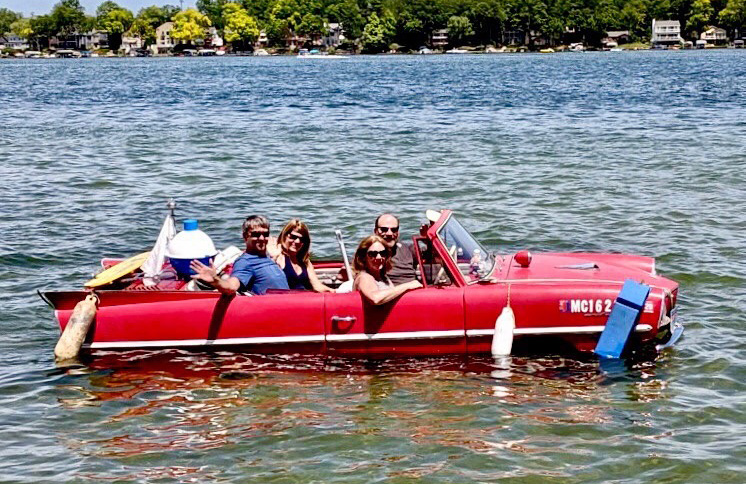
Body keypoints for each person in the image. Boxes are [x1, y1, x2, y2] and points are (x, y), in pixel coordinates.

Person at [190, 215, 289, 295]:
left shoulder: (267, 258)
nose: (262, 238)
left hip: (288, 306)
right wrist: (216, 281)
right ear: (245, 237)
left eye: (265, 234)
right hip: (274, 311)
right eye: (256, 235)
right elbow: (232, 286)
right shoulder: (246, 261)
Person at [352, 235, 421, 305]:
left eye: (382, 253)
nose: (379, 257)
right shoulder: (364, 277)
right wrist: (408, 285)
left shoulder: (383, 277)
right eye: (373, 254)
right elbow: (375, 298)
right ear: (363, 257)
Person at [271, 219, 333, 292]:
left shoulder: (304, 261)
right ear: (284, 236)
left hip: (306, 298)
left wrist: (335, 291)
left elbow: (317, 286)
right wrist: (274, 257)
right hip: (287, 300)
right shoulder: (279, 257)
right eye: (293, 237)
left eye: (302, 239)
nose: (297, 241)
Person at [374, 213, 417, 284]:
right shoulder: (370, 254)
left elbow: (433, 256)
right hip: (390, 291)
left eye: (394, 230)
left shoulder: (408, 249)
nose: (389, 233)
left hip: (415, 291)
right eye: (384, 229)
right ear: (376, 231)